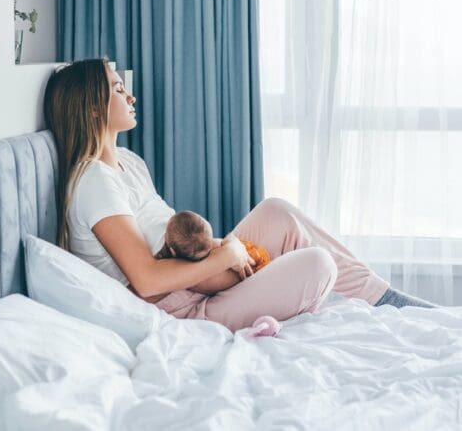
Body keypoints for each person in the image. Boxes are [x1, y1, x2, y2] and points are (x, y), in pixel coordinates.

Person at [43, 58, 439, 333]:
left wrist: (219, 250)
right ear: (93, 110)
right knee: (318, 265)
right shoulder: (94, 181)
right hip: (182, 309)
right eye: (117, 89)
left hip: (196, 271)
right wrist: (228, 256)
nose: (130, 96)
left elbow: (165, 236)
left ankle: (385, 298)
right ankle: (361, 297)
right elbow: (145, 281)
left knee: (277, 213)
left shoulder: (128, 162)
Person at [154, 210, 272, 280]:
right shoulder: (214, 246)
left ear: (173, 252)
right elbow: (230, 238)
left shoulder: (194, 275)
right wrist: (229, 241)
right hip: (251, 257)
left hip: (248, 260)